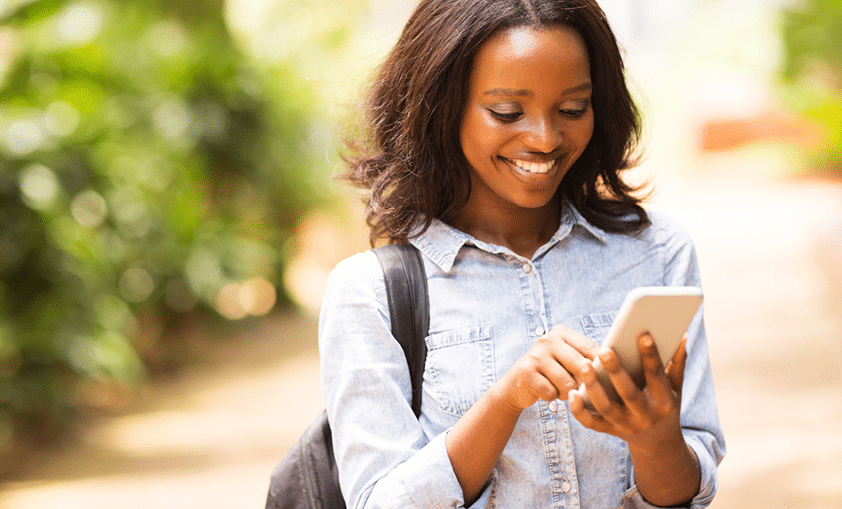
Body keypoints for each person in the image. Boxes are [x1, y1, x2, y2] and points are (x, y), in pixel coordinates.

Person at [319, 0, 726, 507]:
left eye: (573, 109)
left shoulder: (657, 254)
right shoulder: (370, 294)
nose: (545, 138)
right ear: (443, 108)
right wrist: (505, 399)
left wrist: (654, 439)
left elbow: (692, 487)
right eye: (507, 112)